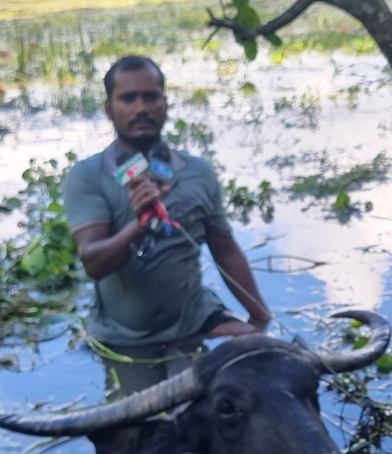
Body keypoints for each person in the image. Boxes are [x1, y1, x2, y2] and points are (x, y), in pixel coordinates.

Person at [62, 55, 273, 397]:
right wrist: (138, 225)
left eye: (151, 96)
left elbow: (225, 249)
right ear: (108, 108)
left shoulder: (197, 171)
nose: (141, 107)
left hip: (196, 320)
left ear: (165, 103)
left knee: (267, 364)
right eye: (128, 98)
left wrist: (261, 318)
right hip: (125, 335)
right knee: (144, 435)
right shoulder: (88, 176)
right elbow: (93, 262)